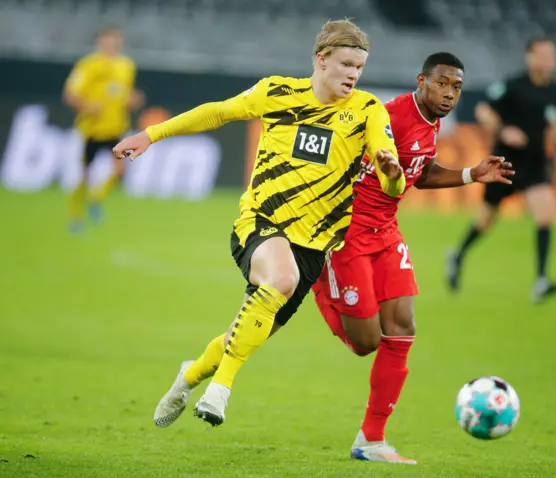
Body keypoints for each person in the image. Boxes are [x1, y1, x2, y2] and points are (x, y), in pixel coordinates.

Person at [112, 19, 405, 430]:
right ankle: (221, 389)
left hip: (314, 245)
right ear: (321, 60)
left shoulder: (367, 110)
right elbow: (218, 113)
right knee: (280, 278)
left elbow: (392, 176)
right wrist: (151, 134)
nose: (354, 75)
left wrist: (391, 172)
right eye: (346, 65)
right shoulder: (278, 92)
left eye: (359, 67)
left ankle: (189, 377)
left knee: (246, 332)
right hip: (260, 223)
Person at [311, 52, 514, 464]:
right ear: (422, 81)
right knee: (366, 344)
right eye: (442, 84)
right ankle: (319, 280)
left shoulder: (431, 123)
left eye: (456, 87)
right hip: (348, 233)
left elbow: (419, 173)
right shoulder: (389, 116)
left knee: (402, 327)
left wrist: (470, 174)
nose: (449, 93)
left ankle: (371, 439)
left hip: (385, 231)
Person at [446, 37, 556, 303]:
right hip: (504, 164)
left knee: (544, 216)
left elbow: (554, 127)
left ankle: (540, 280)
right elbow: (483, 110)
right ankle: (457, 255)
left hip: (536, 164)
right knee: (485, 220)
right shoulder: (512, 86)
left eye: (550, 55)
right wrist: (504, 131)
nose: (546, 61)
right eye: (540, 55)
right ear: (529, 57)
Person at [63, 26, 145, 233]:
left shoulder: (126, 65)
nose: (112, 46)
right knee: (83, 175)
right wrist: (89, 106)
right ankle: (75, 218)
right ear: (99, 43)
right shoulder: (88, 65)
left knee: (119, 170)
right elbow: (70, 94)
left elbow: (122, 93)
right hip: (90, 129)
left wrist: (132, 99)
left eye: (115, 42)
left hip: (115, 127)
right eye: (108, 42)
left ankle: (96, 199)